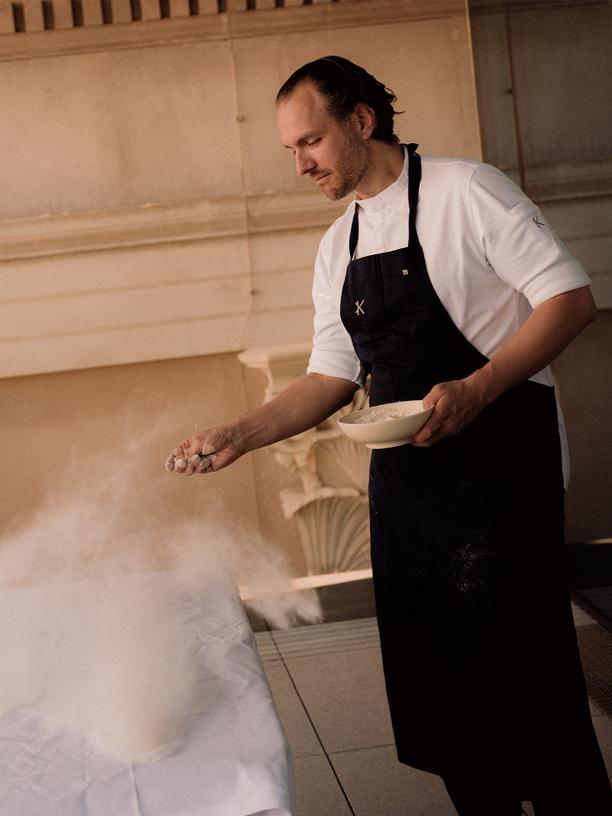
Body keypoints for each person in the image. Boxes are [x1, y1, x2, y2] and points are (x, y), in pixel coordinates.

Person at [168, 56, 612, 814]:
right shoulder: (336, 245)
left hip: (503, 479)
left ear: (362, 122)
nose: (300, 164)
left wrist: (478, 388)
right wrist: (242, 432)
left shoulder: (466, 191)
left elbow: (569, 300)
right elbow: (332, 376)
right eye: (290, 151)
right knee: (447, 694)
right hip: (409, 496)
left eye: (308, 142)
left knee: (531, 691)